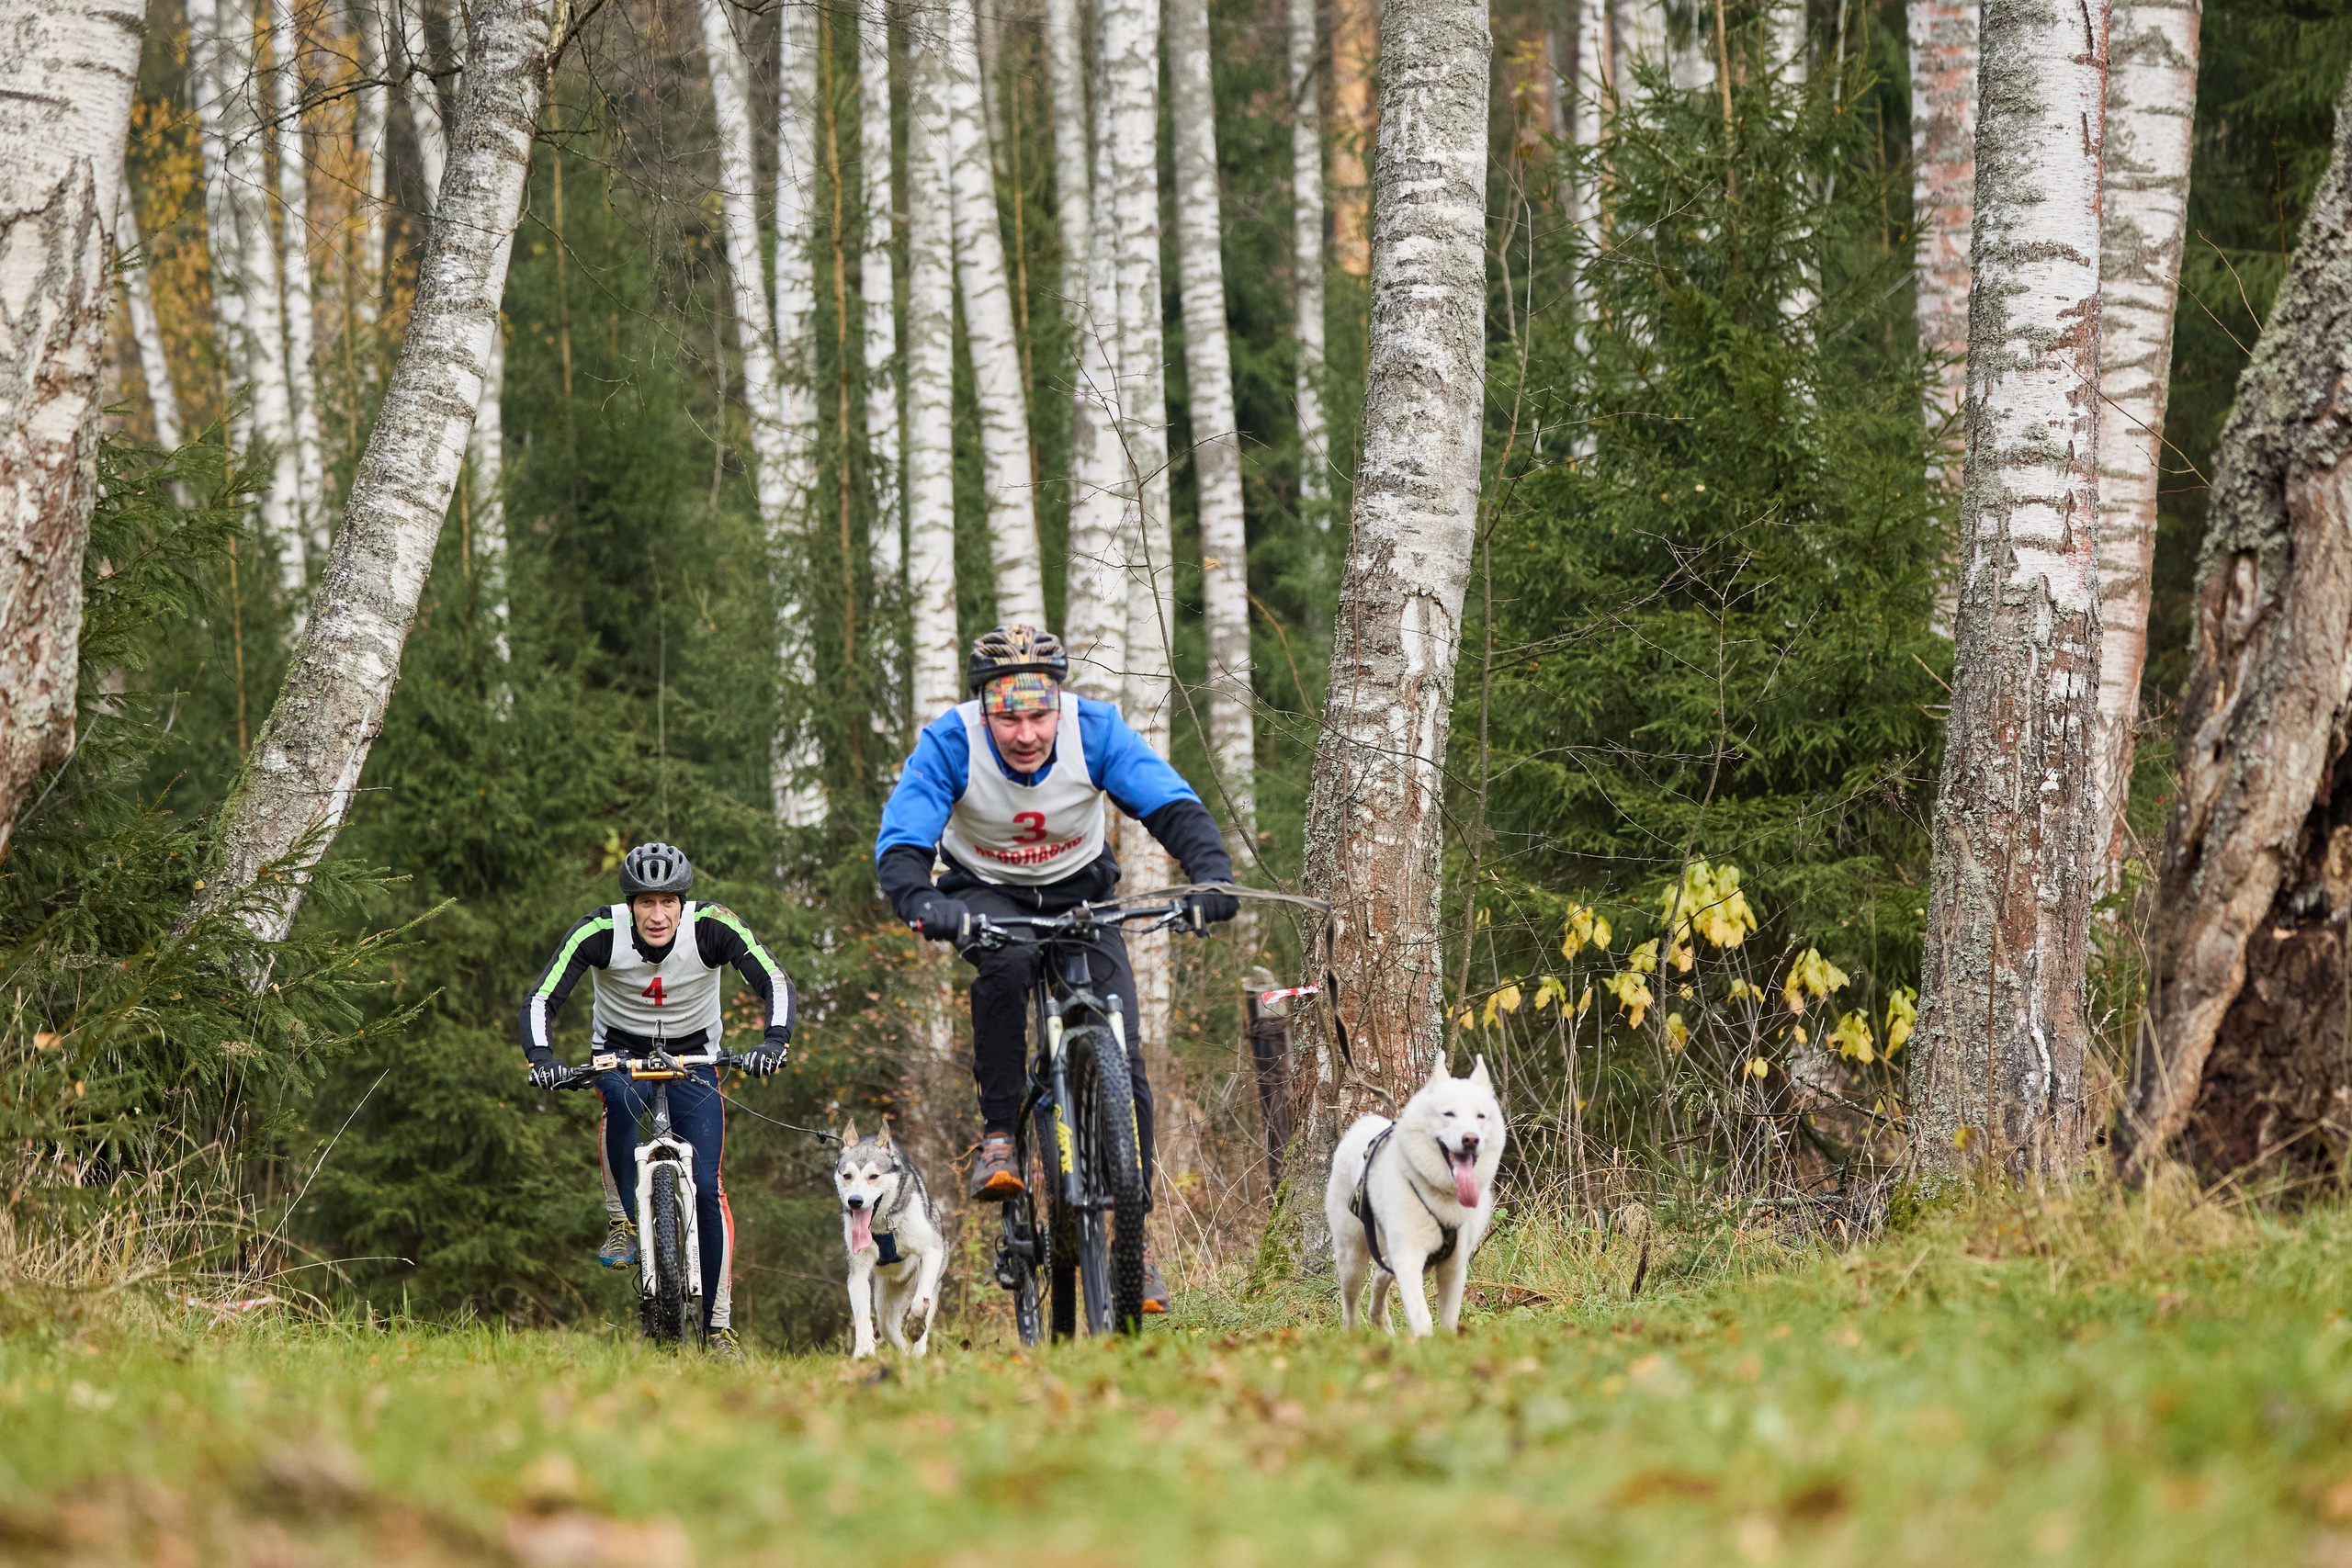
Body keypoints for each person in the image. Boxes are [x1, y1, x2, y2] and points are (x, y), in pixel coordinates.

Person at [874, 626, 1240, 1313]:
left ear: (1059, 704)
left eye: (1039, 713)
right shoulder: (950, 742)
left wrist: (1211, 875)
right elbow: (902, 842)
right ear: (985, 708)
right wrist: (922, 900)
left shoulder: (1094, 729)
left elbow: (1171, 804)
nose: (1025, 732)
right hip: (986, 893)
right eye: (1008, 715)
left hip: (1081, 891)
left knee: (1122, 1048)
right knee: (1007, 964)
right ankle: (998, 1137)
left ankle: (1135, 1233)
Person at [520, 842, 795, 1359]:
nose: (657, 914)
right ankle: (621, 1219)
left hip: (697, 1054)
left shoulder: (714, 926)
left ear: (683, 902)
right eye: (645, 902)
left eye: (668, 901)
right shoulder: (598, 932)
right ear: (629, 905)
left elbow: (773, 979)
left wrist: (774, 1043)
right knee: (620, 1097)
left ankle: (719, 1328)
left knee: (710, 1188)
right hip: (620, 1051)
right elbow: (543, 997)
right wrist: (543, 1058)